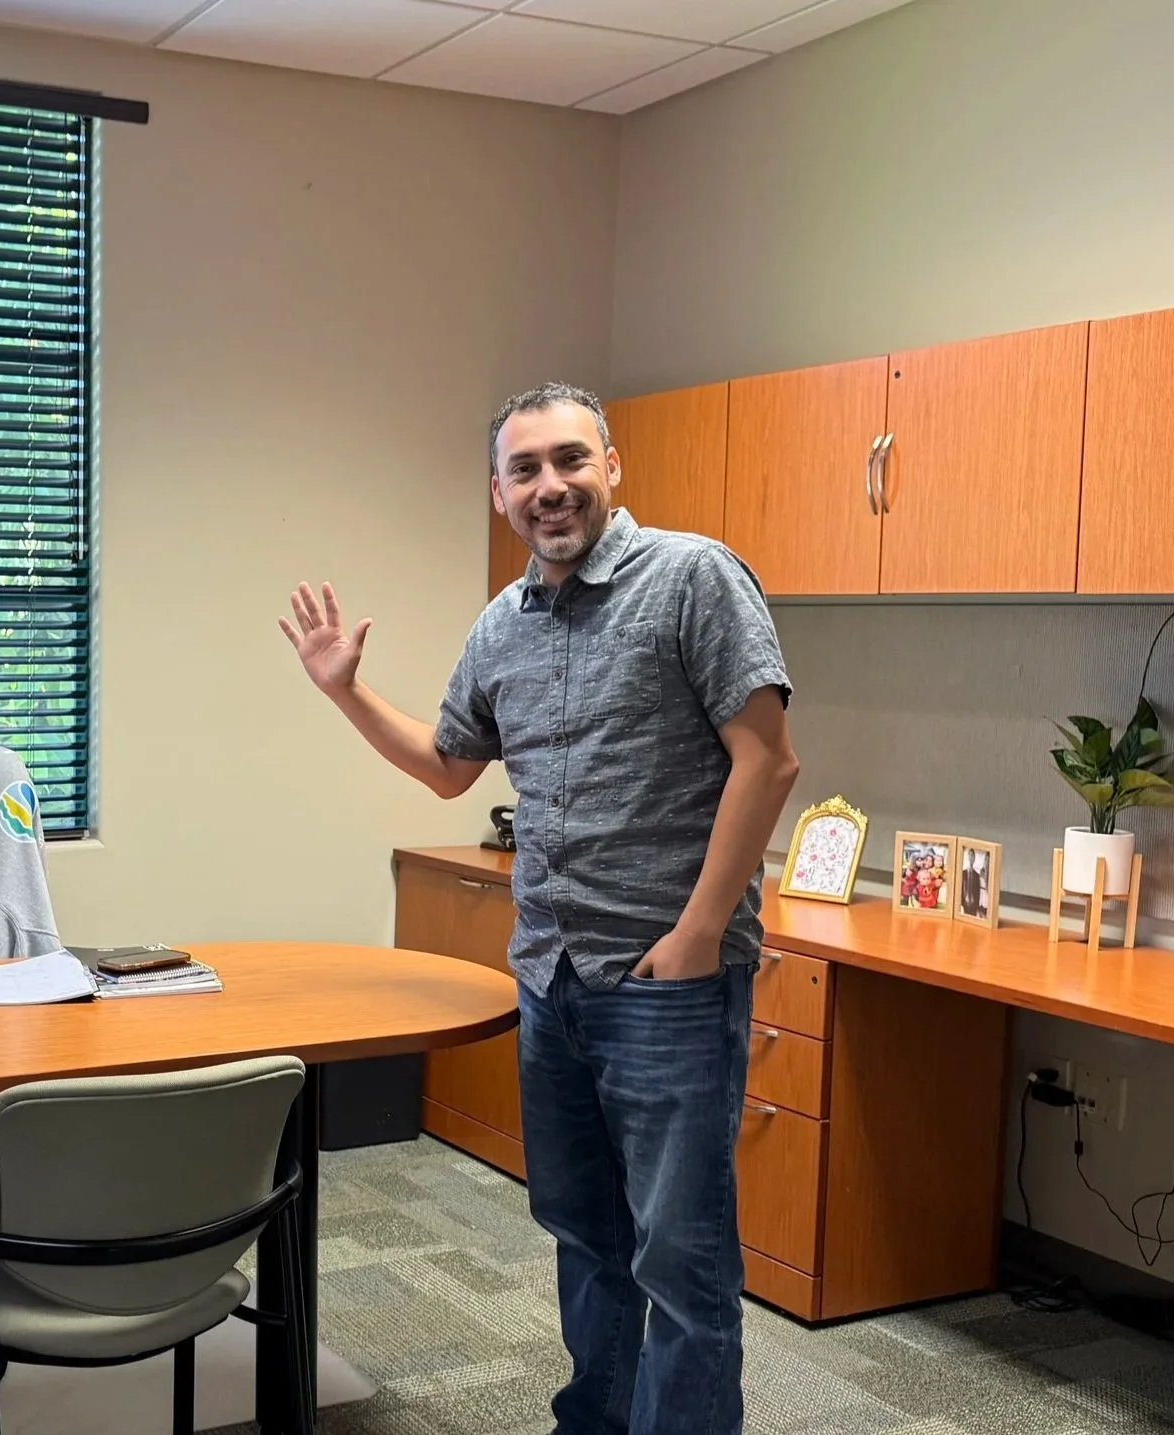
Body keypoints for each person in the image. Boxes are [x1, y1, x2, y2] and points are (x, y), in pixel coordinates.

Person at [280, 383, 799, 1435]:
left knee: (681, 1263)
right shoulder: (502, 625)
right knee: (585, 1237)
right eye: (525, 470)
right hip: (554, 978)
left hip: (666, 984)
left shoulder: (692, 577)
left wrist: (698, 937)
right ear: (498, 492)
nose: (549, 487)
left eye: (570, 460)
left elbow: (769, 760)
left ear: (613, 464)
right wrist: (343, 689)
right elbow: (446, 767)